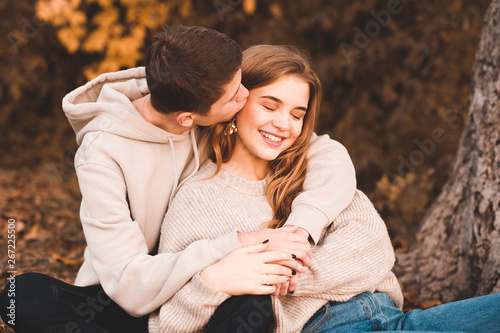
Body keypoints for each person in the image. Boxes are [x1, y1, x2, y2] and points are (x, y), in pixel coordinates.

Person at [0, 26, 356, 332]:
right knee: (21, 295)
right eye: (236, 95)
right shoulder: (102, 153)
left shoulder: (205, 94)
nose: (245, 97)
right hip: (139, 293)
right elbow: (128, 283)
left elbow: (325, 152)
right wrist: (235, 246)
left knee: (251, 308)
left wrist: (301, 228)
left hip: (207, 292)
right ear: (188, 119)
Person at [148, 45, 500, 333]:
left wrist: (276, 275)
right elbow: (170, 324)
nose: (283, 124)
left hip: (397, 317)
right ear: (237, 104)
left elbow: (373, 249)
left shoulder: (314, 170)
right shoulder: (197, 198)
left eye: (297, 114)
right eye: (270, 106)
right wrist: (216, 281)